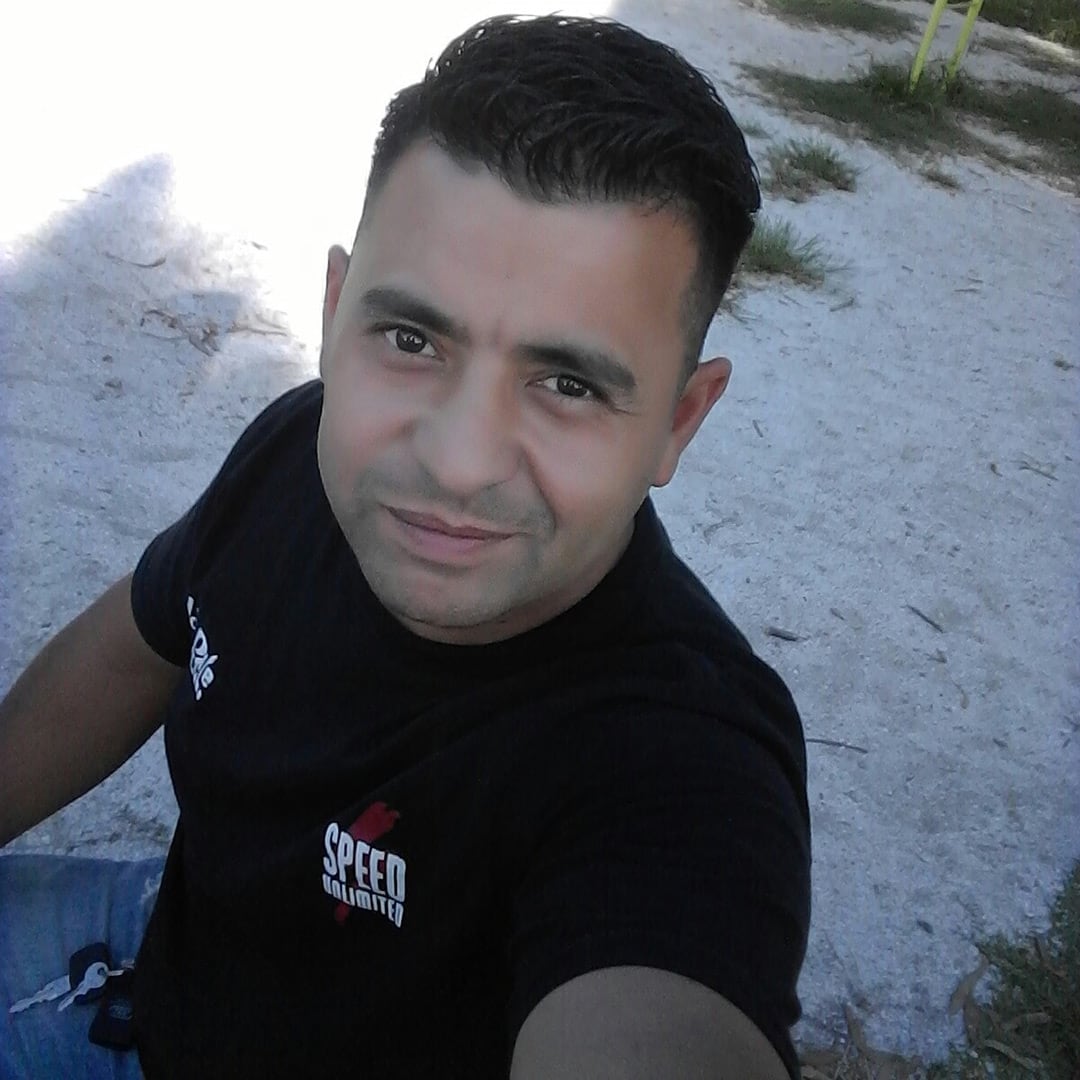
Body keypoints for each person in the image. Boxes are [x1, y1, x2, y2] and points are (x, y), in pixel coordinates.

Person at [0, 13, 811, 1079]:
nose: (458, 461)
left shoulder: (677, 762)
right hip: (157, 954)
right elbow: (144, 637)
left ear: (678, 422)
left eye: (568, 384)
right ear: (336, 314)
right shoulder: (300, 447)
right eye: (413, 338)